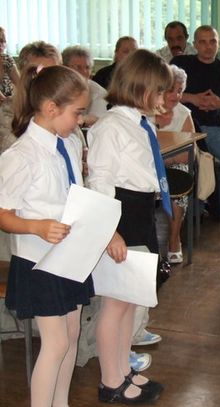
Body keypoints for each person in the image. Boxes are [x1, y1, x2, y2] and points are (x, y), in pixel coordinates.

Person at [0, 64, 93, 407]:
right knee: (54, 344)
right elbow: (3, 214)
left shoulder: (66, 144)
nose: (81, 120)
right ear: (51, 108)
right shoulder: (21, 156)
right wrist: (36, 226)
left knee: (71, 335)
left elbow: (75, 194)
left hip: (69, 256)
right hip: (39, 260)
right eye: (77, 112)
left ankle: (61, 402)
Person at [87, 49, 170, 404]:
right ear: (140, 88)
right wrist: (110, 232)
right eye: (160, 92)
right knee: (115, 305)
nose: (165, 100)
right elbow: (99, 181)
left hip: (139, 212)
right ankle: (110, 382)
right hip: (120, 214)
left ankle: (122, 371)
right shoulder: (110, 127)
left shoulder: (140, 122)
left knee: (130, 303)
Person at [171, 25, 220, 222]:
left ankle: (217, 207)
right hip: (181, 127)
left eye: (212, 41)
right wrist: (192, 98)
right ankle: (195, 209)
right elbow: (161, 92)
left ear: (218, 44)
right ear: (195, 44)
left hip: (211, 130)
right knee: (191, 166)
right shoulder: (180, 63)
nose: (208, 46)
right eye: (202, 42)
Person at [154, 65, 195, 264]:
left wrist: (164, 159)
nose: (175, 95)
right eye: (171, 90)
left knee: (180, 178)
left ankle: (174, 238)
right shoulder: (148, 110)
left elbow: (188, 154)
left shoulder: (184, 113)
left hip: (169, 167)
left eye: (180, 90)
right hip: (146, 168)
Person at [62, 45, 108, 127]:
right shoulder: (57, 87)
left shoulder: (98, 92)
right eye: (78, 67)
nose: (84, 72)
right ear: (64, 68)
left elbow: (98, 121)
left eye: (87, 67)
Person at [0, 26, 19, 154]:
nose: (1, 44)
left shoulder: (7, 59)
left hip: (8, 107)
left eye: (3, 41)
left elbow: (21, 82)